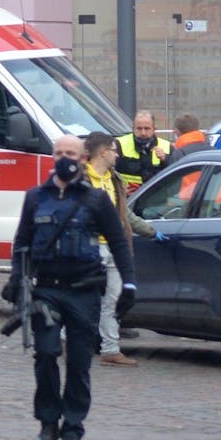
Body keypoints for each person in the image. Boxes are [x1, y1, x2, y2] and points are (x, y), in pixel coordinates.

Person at [2, 144, 137, 440]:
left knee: (78, 362)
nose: (65, 159)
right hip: (46, 290)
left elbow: (117, 242)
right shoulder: (35, 198)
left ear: (83, 159)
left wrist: (129, 284)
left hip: (84, 291)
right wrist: (16, 276)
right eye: (60, 153)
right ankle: (48, 421)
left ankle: (73, 426)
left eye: (71, 154)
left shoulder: (96, 200)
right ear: (53, 157)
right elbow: (22, 241)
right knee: (47, 353)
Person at [84, 132, 155, 366]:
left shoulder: (114, 179)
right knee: (82, 298)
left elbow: (126, 215)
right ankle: (66, 338)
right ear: (103, 152)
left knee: (113, 299)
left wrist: (150, 231)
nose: (117, 155)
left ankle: (110, 349)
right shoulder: (81, 179)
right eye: (114, 150)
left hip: (114, 247)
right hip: (89, 247)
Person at [114, 111, 171, 192]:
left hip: (157, 198)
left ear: (154, 129)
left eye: (147, 128)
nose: (143, 133)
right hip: (128, 198)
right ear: (133, 128)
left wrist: (165, 159)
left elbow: (175, 174)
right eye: (139, 128)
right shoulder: (119, 144)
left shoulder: (167, 147)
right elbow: (109, 172)